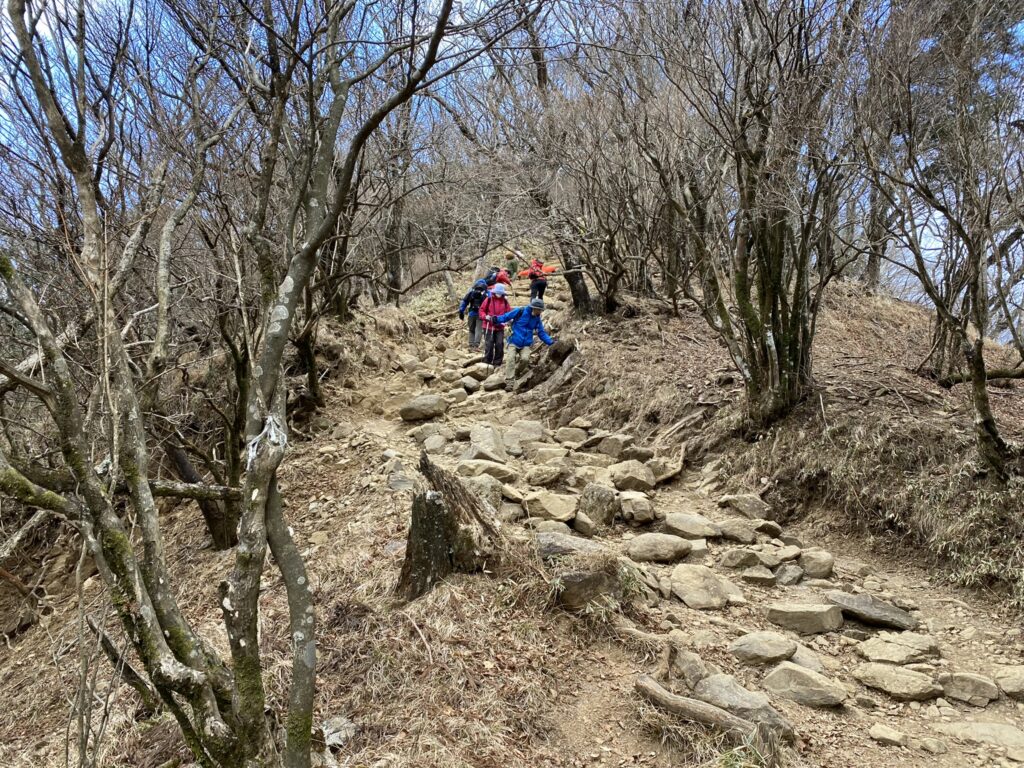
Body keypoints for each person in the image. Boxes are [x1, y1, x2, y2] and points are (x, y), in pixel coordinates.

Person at [496, 297, 555, 390]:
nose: (540, 312)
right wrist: (495, 319)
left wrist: (551, 342)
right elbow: (507, 316)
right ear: (534, 308)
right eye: (539, 310)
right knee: (511, 358)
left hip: (526, 343)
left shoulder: (537, 319)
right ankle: (510, 382)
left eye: (541, 310)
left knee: (525, 359)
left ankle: (516, 372)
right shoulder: (520, 311)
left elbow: (541, 333)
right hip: (514, 340)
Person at [480, 283, 512, 367]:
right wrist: (485, 316)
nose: (499, 294)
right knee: (489, 344)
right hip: (488, 325)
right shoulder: (489, 299)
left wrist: (509, 320)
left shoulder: (505, 301)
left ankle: (497, 362)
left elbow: (509, 313)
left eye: (500, 293)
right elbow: (482, 310)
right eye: (498, 292)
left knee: (499, 343)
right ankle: (487, 360)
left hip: (500, 327)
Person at [458, 278, 488, 350]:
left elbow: (464, 302)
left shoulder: (471, 292)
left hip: (471, 313)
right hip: (481, 314)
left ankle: (471, 345)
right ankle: (476, 345)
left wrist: (461, 311)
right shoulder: (486, 293)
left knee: (471, 330)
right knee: (479, 329)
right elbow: (489, 304)